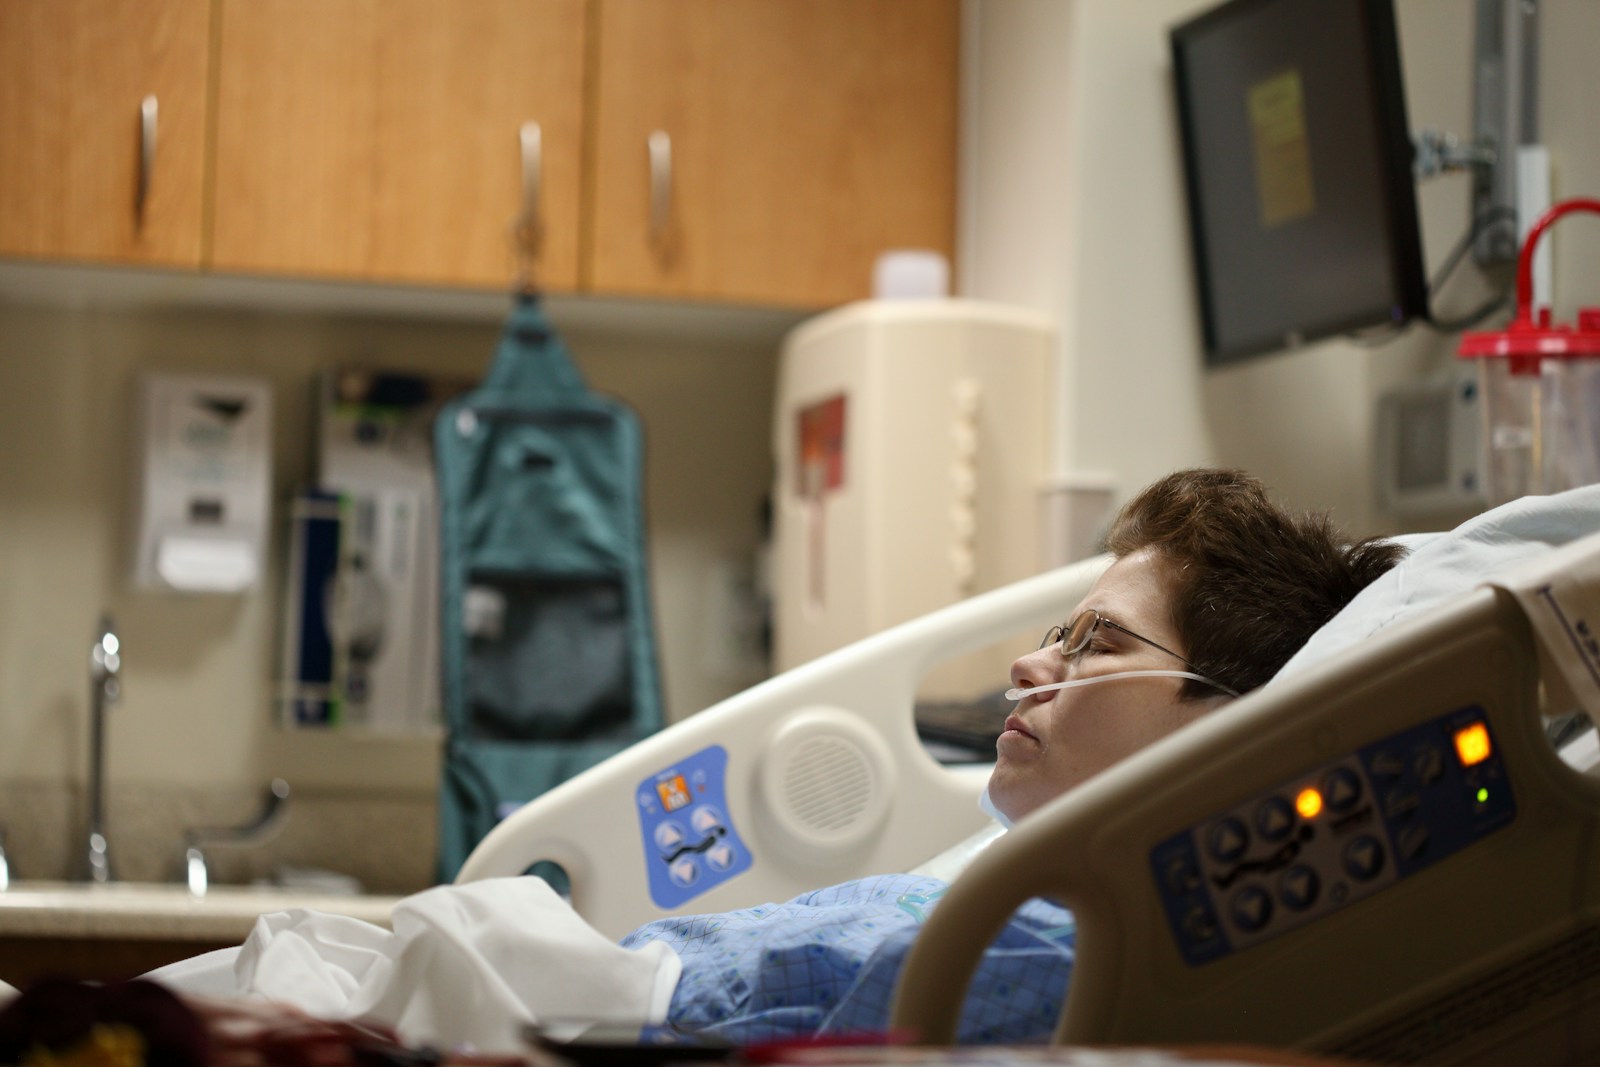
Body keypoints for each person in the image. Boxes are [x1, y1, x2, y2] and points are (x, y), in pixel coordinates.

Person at [620, 467, 1408, 1045]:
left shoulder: (1052, 951)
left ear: (1224, 725)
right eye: (1057, 637)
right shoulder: (1007, 904)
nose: (1028, 668)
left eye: (1097, 642)